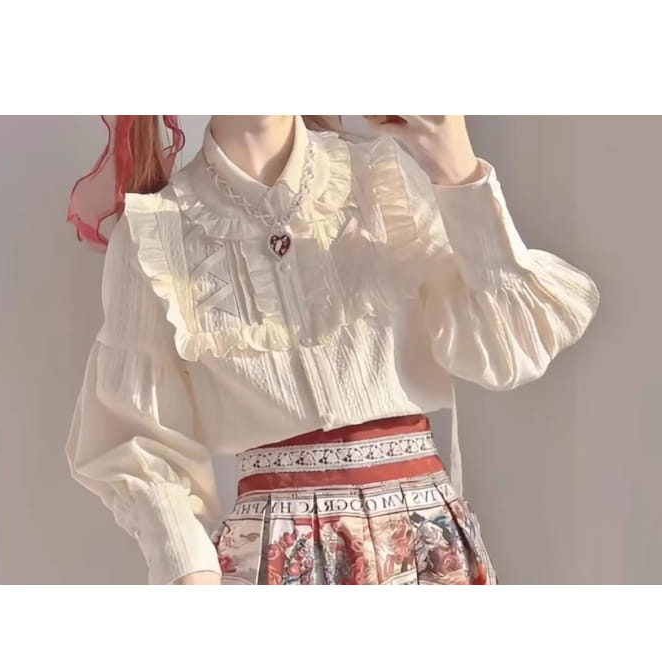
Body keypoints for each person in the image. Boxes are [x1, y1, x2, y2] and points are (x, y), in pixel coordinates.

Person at [64, 115, 600, 585]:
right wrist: (191, 572)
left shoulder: (384, 176)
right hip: (271, 556)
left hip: (426, 545)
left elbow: (511, 349)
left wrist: (459, 172)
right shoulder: (155, 230)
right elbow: (133, 438)